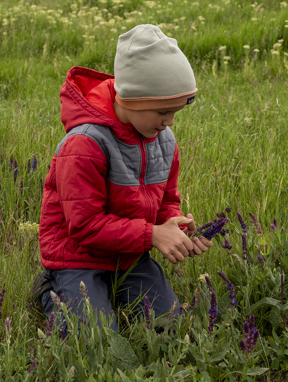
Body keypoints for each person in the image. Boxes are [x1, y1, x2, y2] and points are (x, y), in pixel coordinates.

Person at [29, 24, 213, 333]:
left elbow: (166, 200)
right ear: (130, 100)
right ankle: (52, 285)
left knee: (171, 326)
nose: (169, 122)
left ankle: (111, 290)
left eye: (176, 113)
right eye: (162, 112)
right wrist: (153, 235)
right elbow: (84, 227)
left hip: (129, 257)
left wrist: (175, 226)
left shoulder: (164, 140)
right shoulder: (84, 145)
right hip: (78, 257)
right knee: (94, 340)